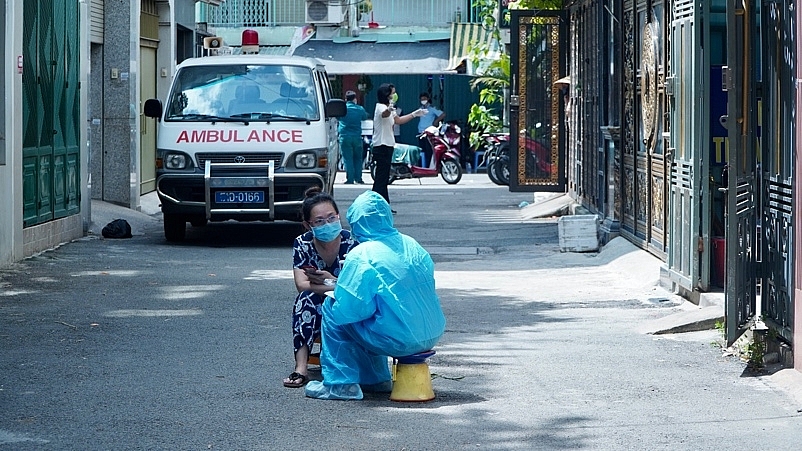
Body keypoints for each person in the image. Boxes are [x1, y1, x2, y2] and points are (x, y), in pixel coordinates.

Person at [304, 190, 446, 400]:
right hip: (433, 331)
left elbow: (351, 310)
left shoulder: (362, 254)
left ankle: (341, 383)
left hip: (399, 339)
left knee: (333, 309)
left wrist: (336, 289)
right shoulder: (412, 244)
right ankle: (376, 379)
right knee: (379, 312)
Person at [283, 186, 359, 388]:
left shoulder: (353, 243)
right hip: (317, 299)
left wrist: (330, 280)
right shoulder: (303, 244)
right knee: (305, 300)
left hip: (347, 300)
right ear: (308, 225)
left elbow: (357, 287)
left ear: (338, 216)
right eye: (319, 221)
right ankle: (301, 368)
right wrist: (333, 285)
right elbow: (302, 285)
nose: (327, 224)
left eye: (331, 218)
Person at [371, 83, 426, 211]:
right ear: (386, 94)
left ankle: (383, 205)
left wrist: (414, 114)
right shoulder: (380, 107)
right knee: (381, 178)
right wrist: (389, 108)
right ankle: (375, 204)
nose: (394, 95)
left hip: (388, 145)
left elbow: (398, 120)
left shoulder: (391, 108)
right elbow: (384, 114)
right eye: (392, 93)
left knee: (384, 177)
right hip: (381, 146)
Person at [338, 90, 368, 184]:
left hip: (345, 136)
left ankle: (350, 179)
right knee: (358, 158)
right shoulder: (360, 109)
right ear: (355, 99)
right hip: (357, 137)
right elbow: (365, 117)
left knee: (348, 158)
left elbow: (337, 117)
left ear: (345, 99)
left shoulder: (342, 109)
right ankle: (358, 178)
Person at [416, 92, 446, 168]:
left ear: (428, 99)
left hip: (428, 133)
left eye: (424, 99)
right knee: (422, 150)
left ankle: (429, 167)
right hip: (420, 132)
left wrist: (436, 121)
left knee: (429, 150)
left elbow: (443, 114)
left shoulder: (432, 108)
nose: (423, 100)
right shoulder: (420, 109)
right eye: (422, 99)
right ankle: (422, 166)